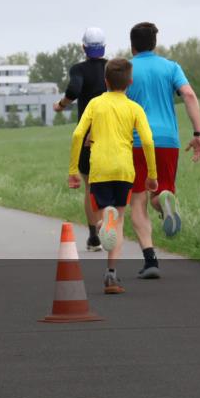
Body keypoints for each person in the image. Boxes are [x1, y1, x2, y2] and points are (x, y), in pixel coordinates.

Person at [68, 58, 157, 294]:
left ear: (105, 81)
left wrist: (72, 170)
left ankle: (100, 222)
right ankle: (111, 275)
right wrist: (152, 175)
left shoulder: (95, 104)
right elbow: (147, 140)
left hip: (99, 169)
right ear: (130, 81)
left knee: (104, 217)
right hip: (124, 170)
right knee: (119, 221)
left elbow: (78, 135)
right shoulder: (134, 108)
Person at [126, 22, 200, 279]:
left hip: (137, 141)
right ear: (155, 43)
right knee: (159, 191)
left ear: (132, 45)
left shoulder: (125, 70)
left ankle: (150, 260)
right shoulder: (171, 67)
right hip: (167, 140)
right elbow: (189, 96)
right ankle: (165, 201)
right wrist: (198, 133)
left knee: (138, 200)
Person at [54, 27, 109, 252]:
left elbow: (74, 88)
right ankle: (110, 223)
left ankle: (94, 237)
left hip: (87, 134)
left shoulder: (79, 69)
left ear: (83, 47)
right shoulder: (113, 68)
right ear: (104, 47)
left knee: (89, 185)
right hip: (113, 132)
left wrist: (61, 105)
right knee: (111, 182)